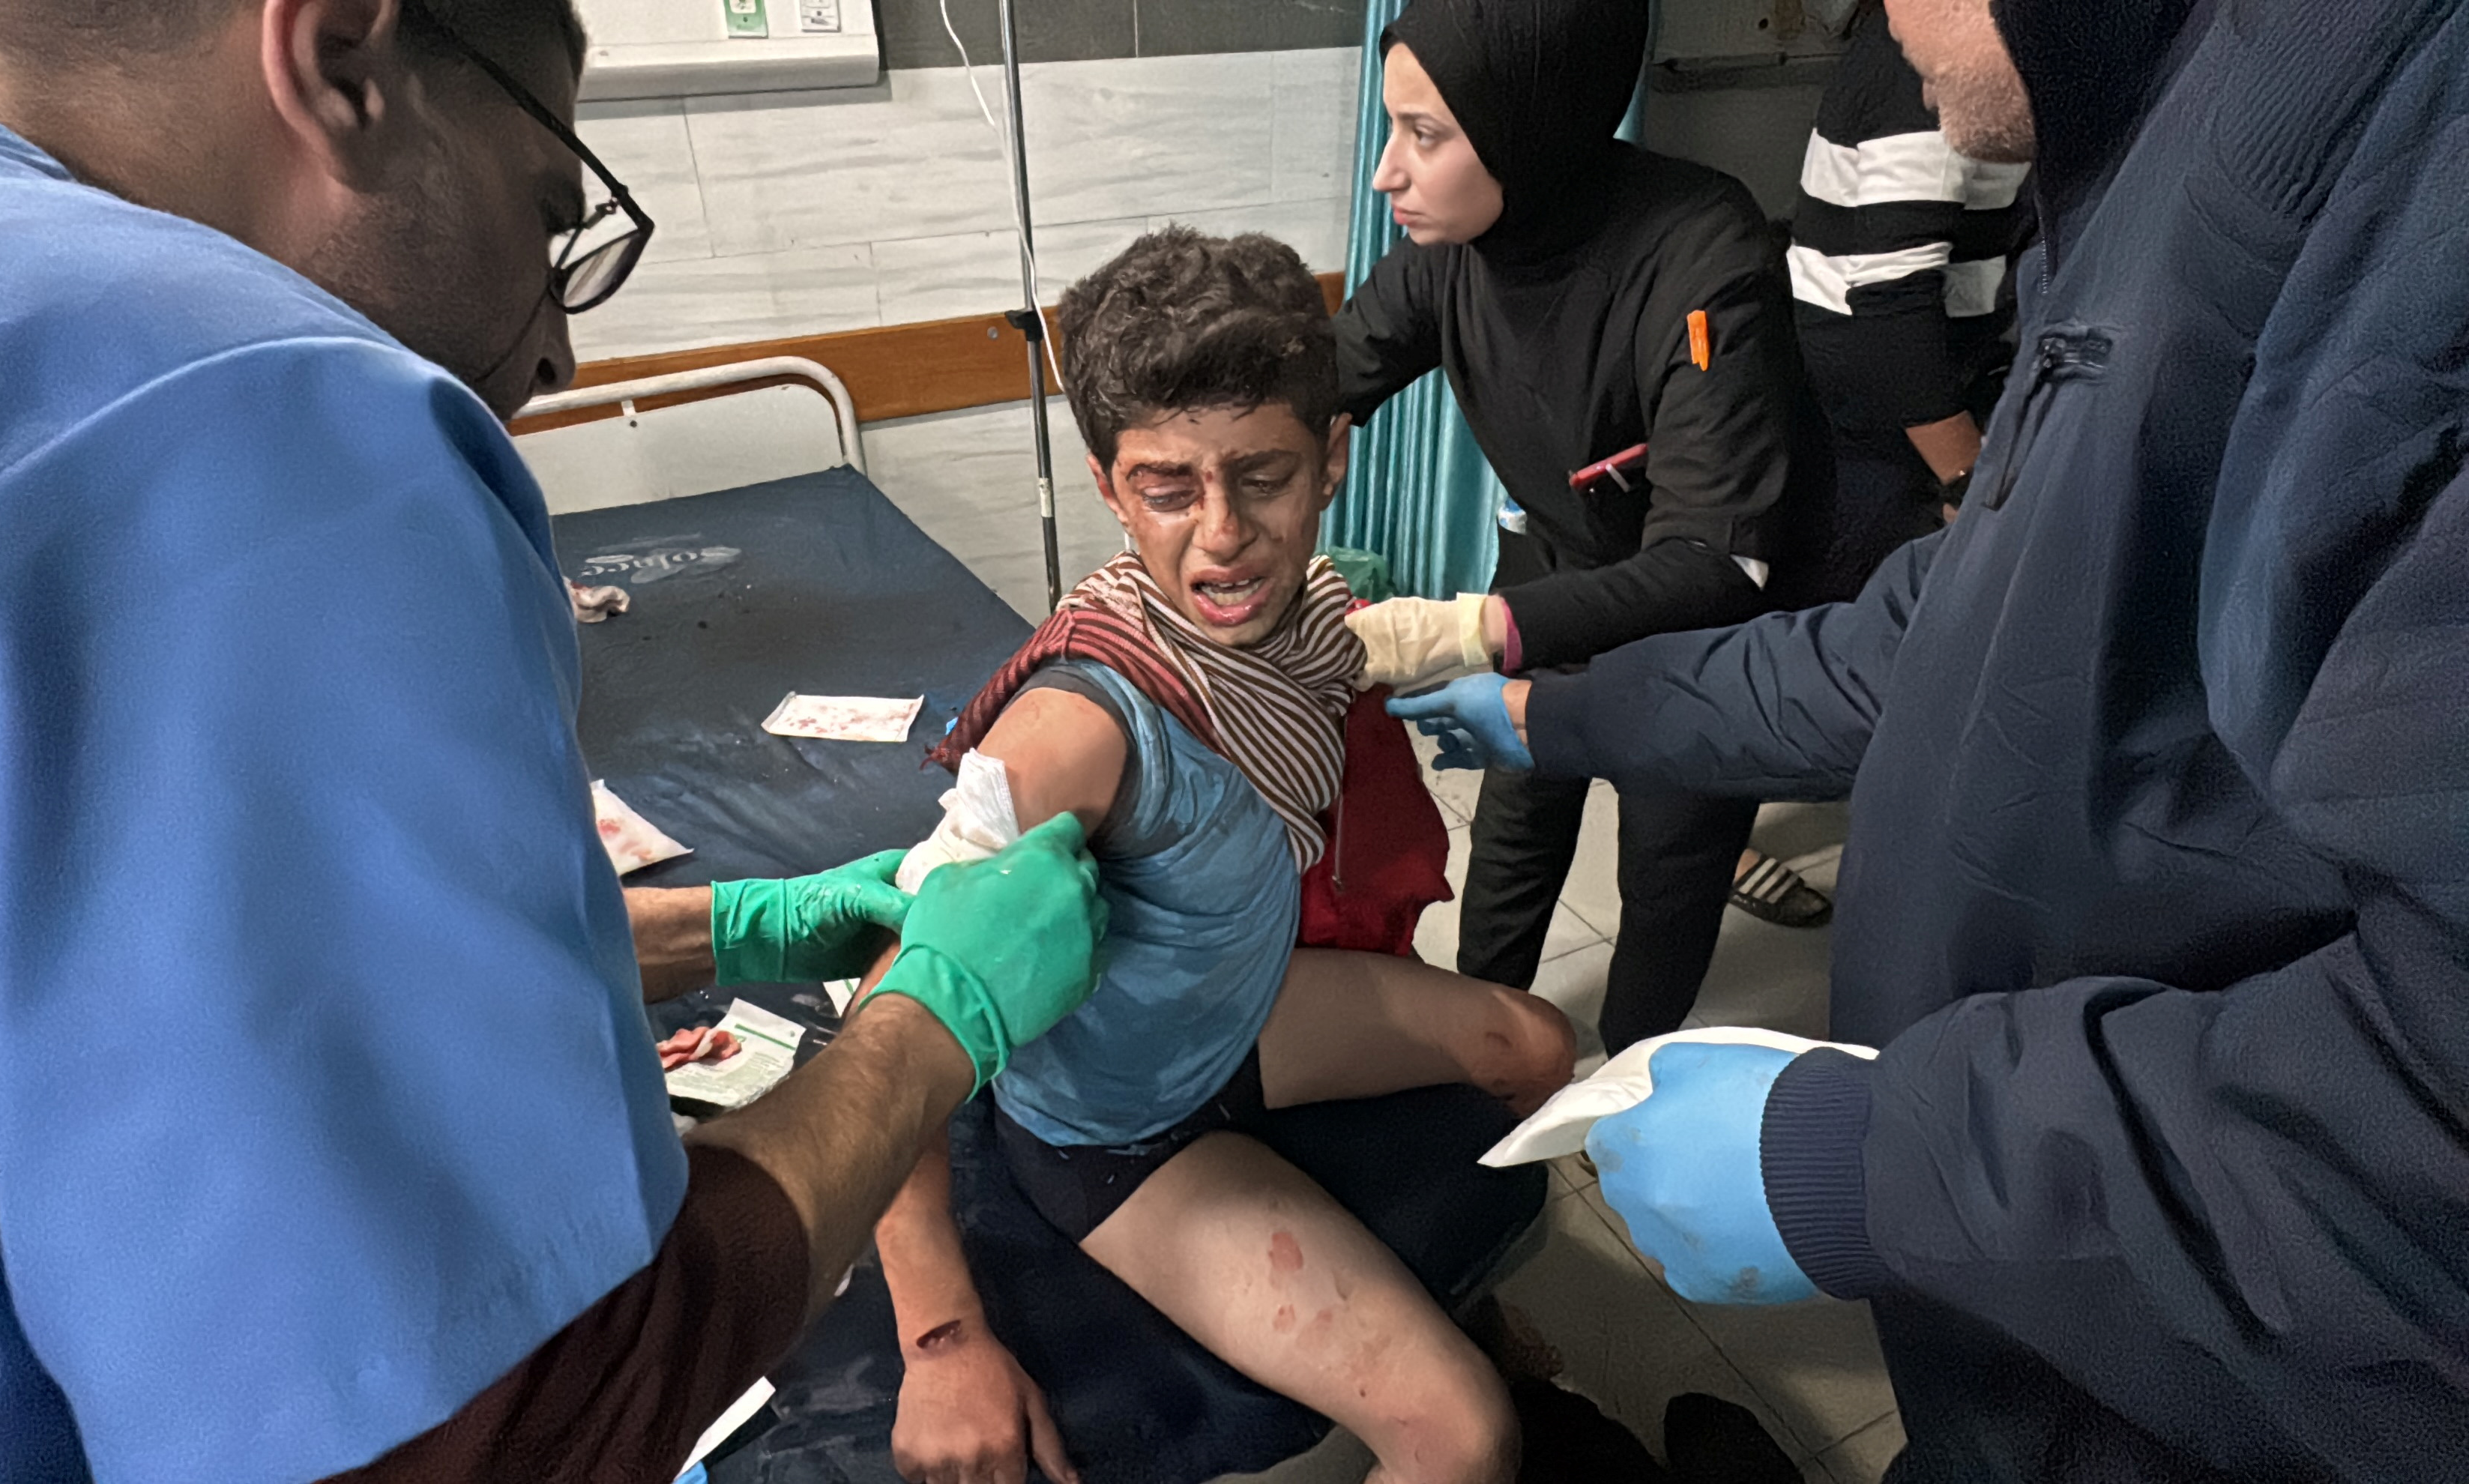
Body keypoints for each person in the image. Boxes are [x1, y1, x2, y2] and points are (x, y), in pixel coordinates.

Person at [0, 4, 1107, 1480]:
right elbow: (519, 1421)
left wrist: (733, 923)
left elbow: (74, 987)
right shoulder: (234, 421)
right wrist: (933, 1022)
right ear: (341, 64)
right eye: (547, 218)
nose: (561, 348)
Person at [1392, 0, 2469, 1474]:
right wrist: (1563, 714)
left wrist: (1882, 1156)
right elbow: (1948, 635)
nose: (1876, 16)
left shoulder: (2401, 177)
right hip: (2027, 1324)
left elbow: (2425, 1133)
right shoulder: (2155, 143)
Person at [866, 228, 1582, 1484]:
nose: (1223, 538)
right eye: (1168, 488)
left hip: (1231, 1011)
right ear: (1107, 484)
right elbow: (884, 1019)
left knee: (1537, 1045)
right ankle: (1447, 1359)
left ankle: (1458, 1294)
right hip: (1117, 1122)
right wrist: (941, 1334)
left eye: (1263, 477)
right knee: (1464, 1434)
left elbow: (1366, 639)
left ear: (1332, 464)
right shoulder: (1084, 730)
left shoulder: (1301, 620)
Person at [1334, 0, 1833, 1056]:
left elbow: (1712, 559)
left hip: (1697, 618)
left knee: (1669, 859)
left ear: (1526, 126)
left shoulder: (1701, 250)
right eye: (1396, 129)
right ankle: (1482, 1050)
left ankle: (1626, 1083)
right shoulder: (1454, 245)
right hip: (1557, 556)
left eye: (1425, 136)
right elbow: (1330, 371)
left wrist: (1457, 631)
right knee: (1518, 822)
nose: (1389, 172)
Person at [1782, 0, 2032, 601]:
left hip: (1925, 383)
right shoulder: (1926, 64)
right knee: (1884, 614)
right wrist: (1967, 483)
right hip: (1888, 409)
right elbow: (1891, 298)